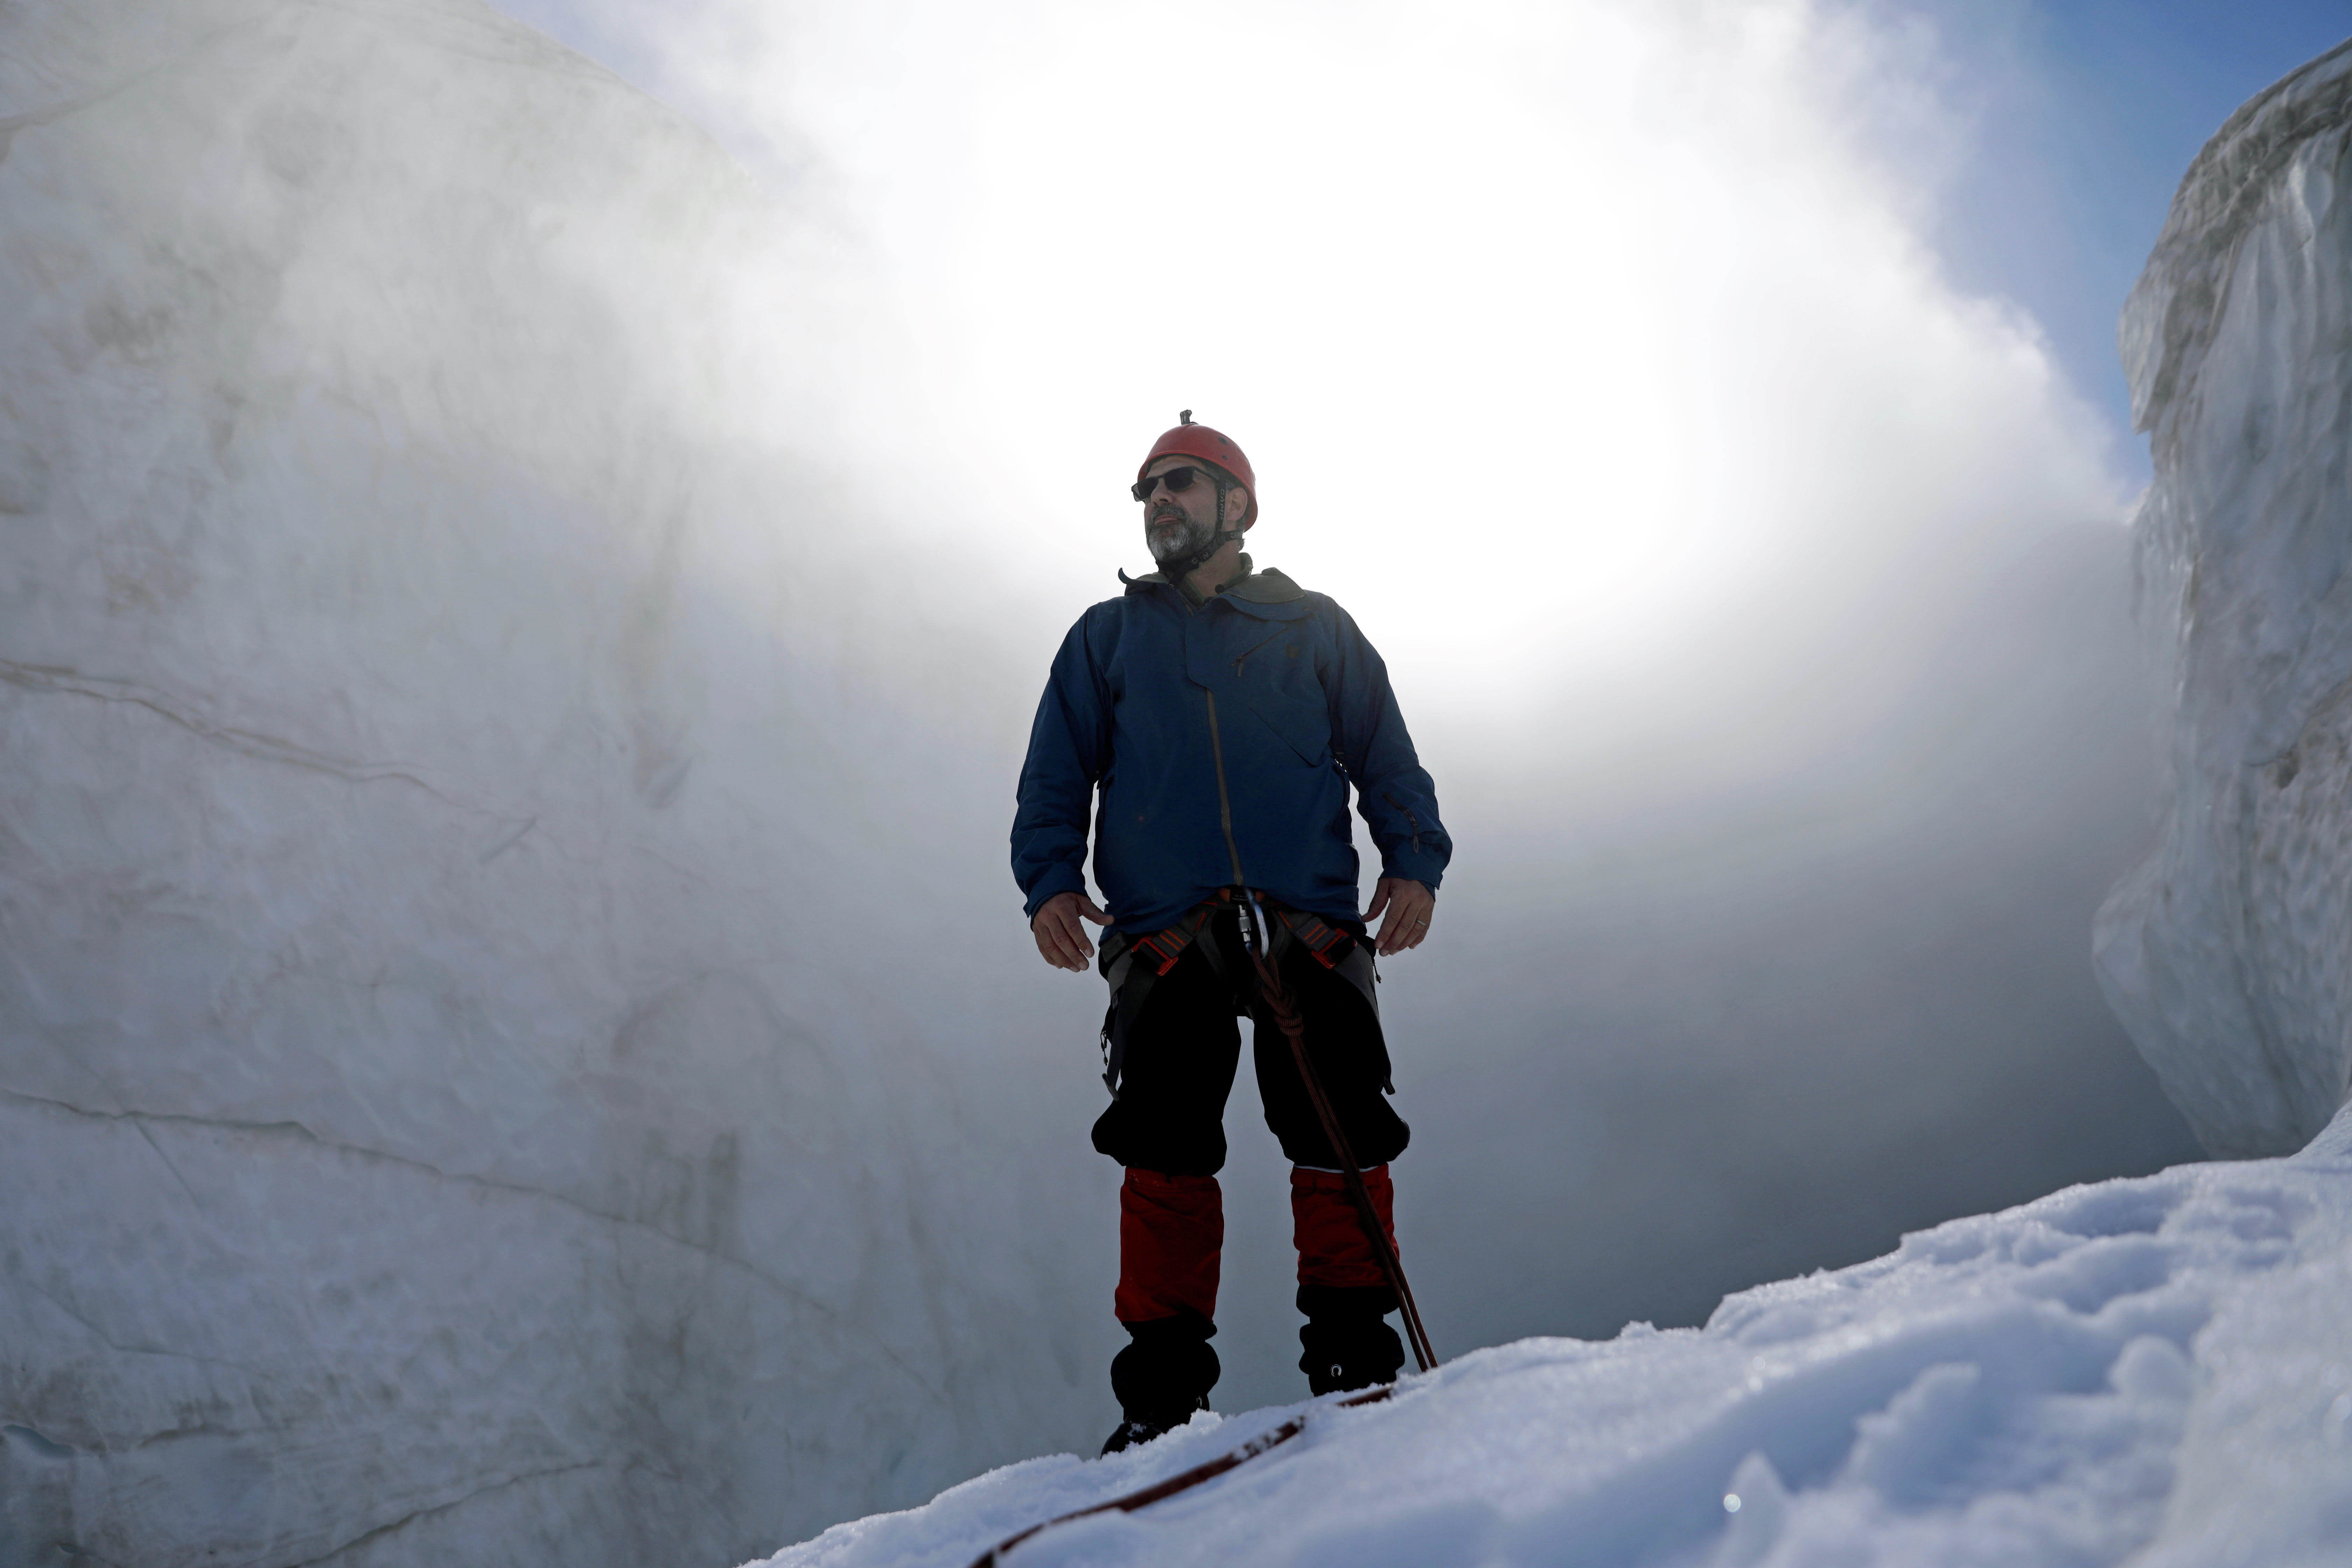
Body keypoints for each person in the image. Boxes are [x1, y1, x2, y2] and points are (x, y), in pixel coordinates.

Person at [1011, 413, 1452, 1452]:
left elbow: (1388, 758)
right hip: (1168, 938)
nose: (1161, 500)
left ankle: (1354, 1361)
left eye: (1183, 484)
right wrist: (1046, 886)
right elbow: (1054, 778)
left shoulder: (1316, 628)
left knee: (1340, 1141)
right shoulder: (1106, 638)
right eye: (1151, 488)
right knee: (1164, 1156)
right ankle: (1162, 1399)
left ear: (1238, 507)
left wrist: (1415, 862)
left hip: (1310, 929)